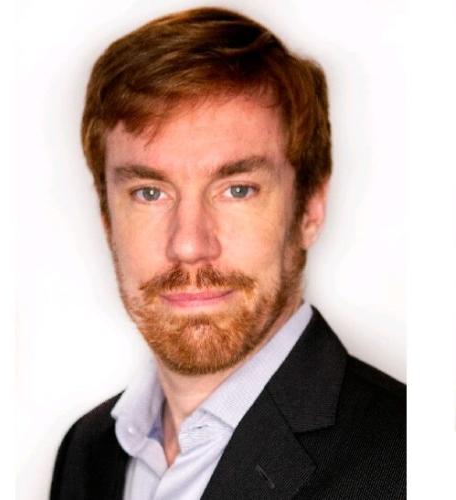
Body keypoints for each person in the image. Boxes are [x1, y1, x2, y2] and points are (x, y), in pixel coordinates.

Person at [50, 7, 405, 500]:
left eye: (237, 190)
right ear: (107, 216)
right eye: (150, 193)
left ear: (310, 208)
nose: (190, 244)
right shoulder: (88, 451)